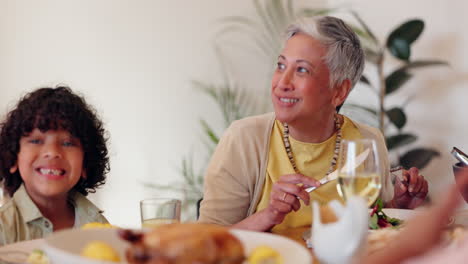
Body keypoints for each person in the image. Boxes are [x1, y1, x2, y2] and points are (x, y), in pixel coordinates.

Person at [199, 16, 428, 232]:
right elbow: (207, 242)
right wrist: (268, 215)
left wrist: (401, 204)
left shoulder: (368, 141)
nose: (282, 82)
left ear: (339, 91)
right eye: (281, 66)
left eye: (301, 70)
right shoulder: (243, 139)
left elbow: (377, 228)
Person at [0, 86, 110, 245]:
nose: (52, 152)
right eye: (36, 141)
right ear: (13, 158)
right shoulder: (4, 230)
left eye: (68, 143)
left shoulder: (100, 227)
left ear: (85, 163)